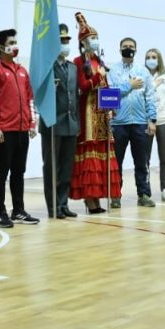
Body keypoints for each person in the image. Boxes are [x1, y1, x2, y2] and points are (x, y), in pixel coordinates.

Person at [0, 28, 38, 228]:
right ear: (1, 47)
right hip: (4, 131)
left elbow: (30, 98)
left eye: (15, 42)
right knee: (1, 172)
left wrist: (32, 122)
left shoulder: (22, 71)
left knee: (18, 172)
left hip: (22, 129)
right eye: (11, 43)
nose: (15, 46)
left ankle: (18, 210)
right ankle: (0, 213)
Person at [69, 13, 121, 212]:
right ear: (83, 42)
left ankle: (98, 198)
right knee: (90, 156)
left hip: (102, 114)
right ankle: (90, 200)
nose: (95, 41)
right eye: (92, 38)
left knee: (102, 154)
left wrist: (112, 107)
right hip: (88, 114)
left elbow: (106, 88)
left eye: (96, 37)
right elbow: (82, 87)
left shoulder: (99, 61)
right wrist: (97, 78)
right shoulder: (77, 62)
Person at [107, 37, 157, 207]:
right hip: (118, 123)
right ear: (119, 49)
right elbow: (111, 93)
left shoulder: (143, 71)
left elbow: (150, 96)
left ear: (136, 50)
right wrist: (129, 85)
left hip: (140, 122)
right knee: (116, 162)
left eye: (131, 46)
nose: (128, 48)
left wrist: (152, 120)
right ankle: (115, 196)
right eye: (125, 46)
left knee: (142, 161)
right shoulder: (112, 71)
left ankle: (144, 194)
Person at [40, 25, 79, 219]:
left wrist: (77, 123)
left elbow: (75, 97)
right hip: (53, 124)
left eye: (67, 41)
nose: (65, 44)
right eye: (62, 41)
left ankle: (63, 203)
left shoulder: (72, 67)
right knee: (51, 168)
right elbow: (39, 94)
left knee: (66, 168)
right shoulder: (46, 67)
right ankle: (53, 206)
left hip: (70, 124)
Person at [146, 48, 165, 202]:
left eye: (154, 57)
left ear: (159, 60)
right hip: (147, 121)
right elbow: (142, 95)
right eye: (148, 57)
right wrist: (153, 84)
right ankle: (144, 191)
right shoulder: (142, 76)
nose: (151, 60)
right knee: (144, 158)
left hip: (164, 120)